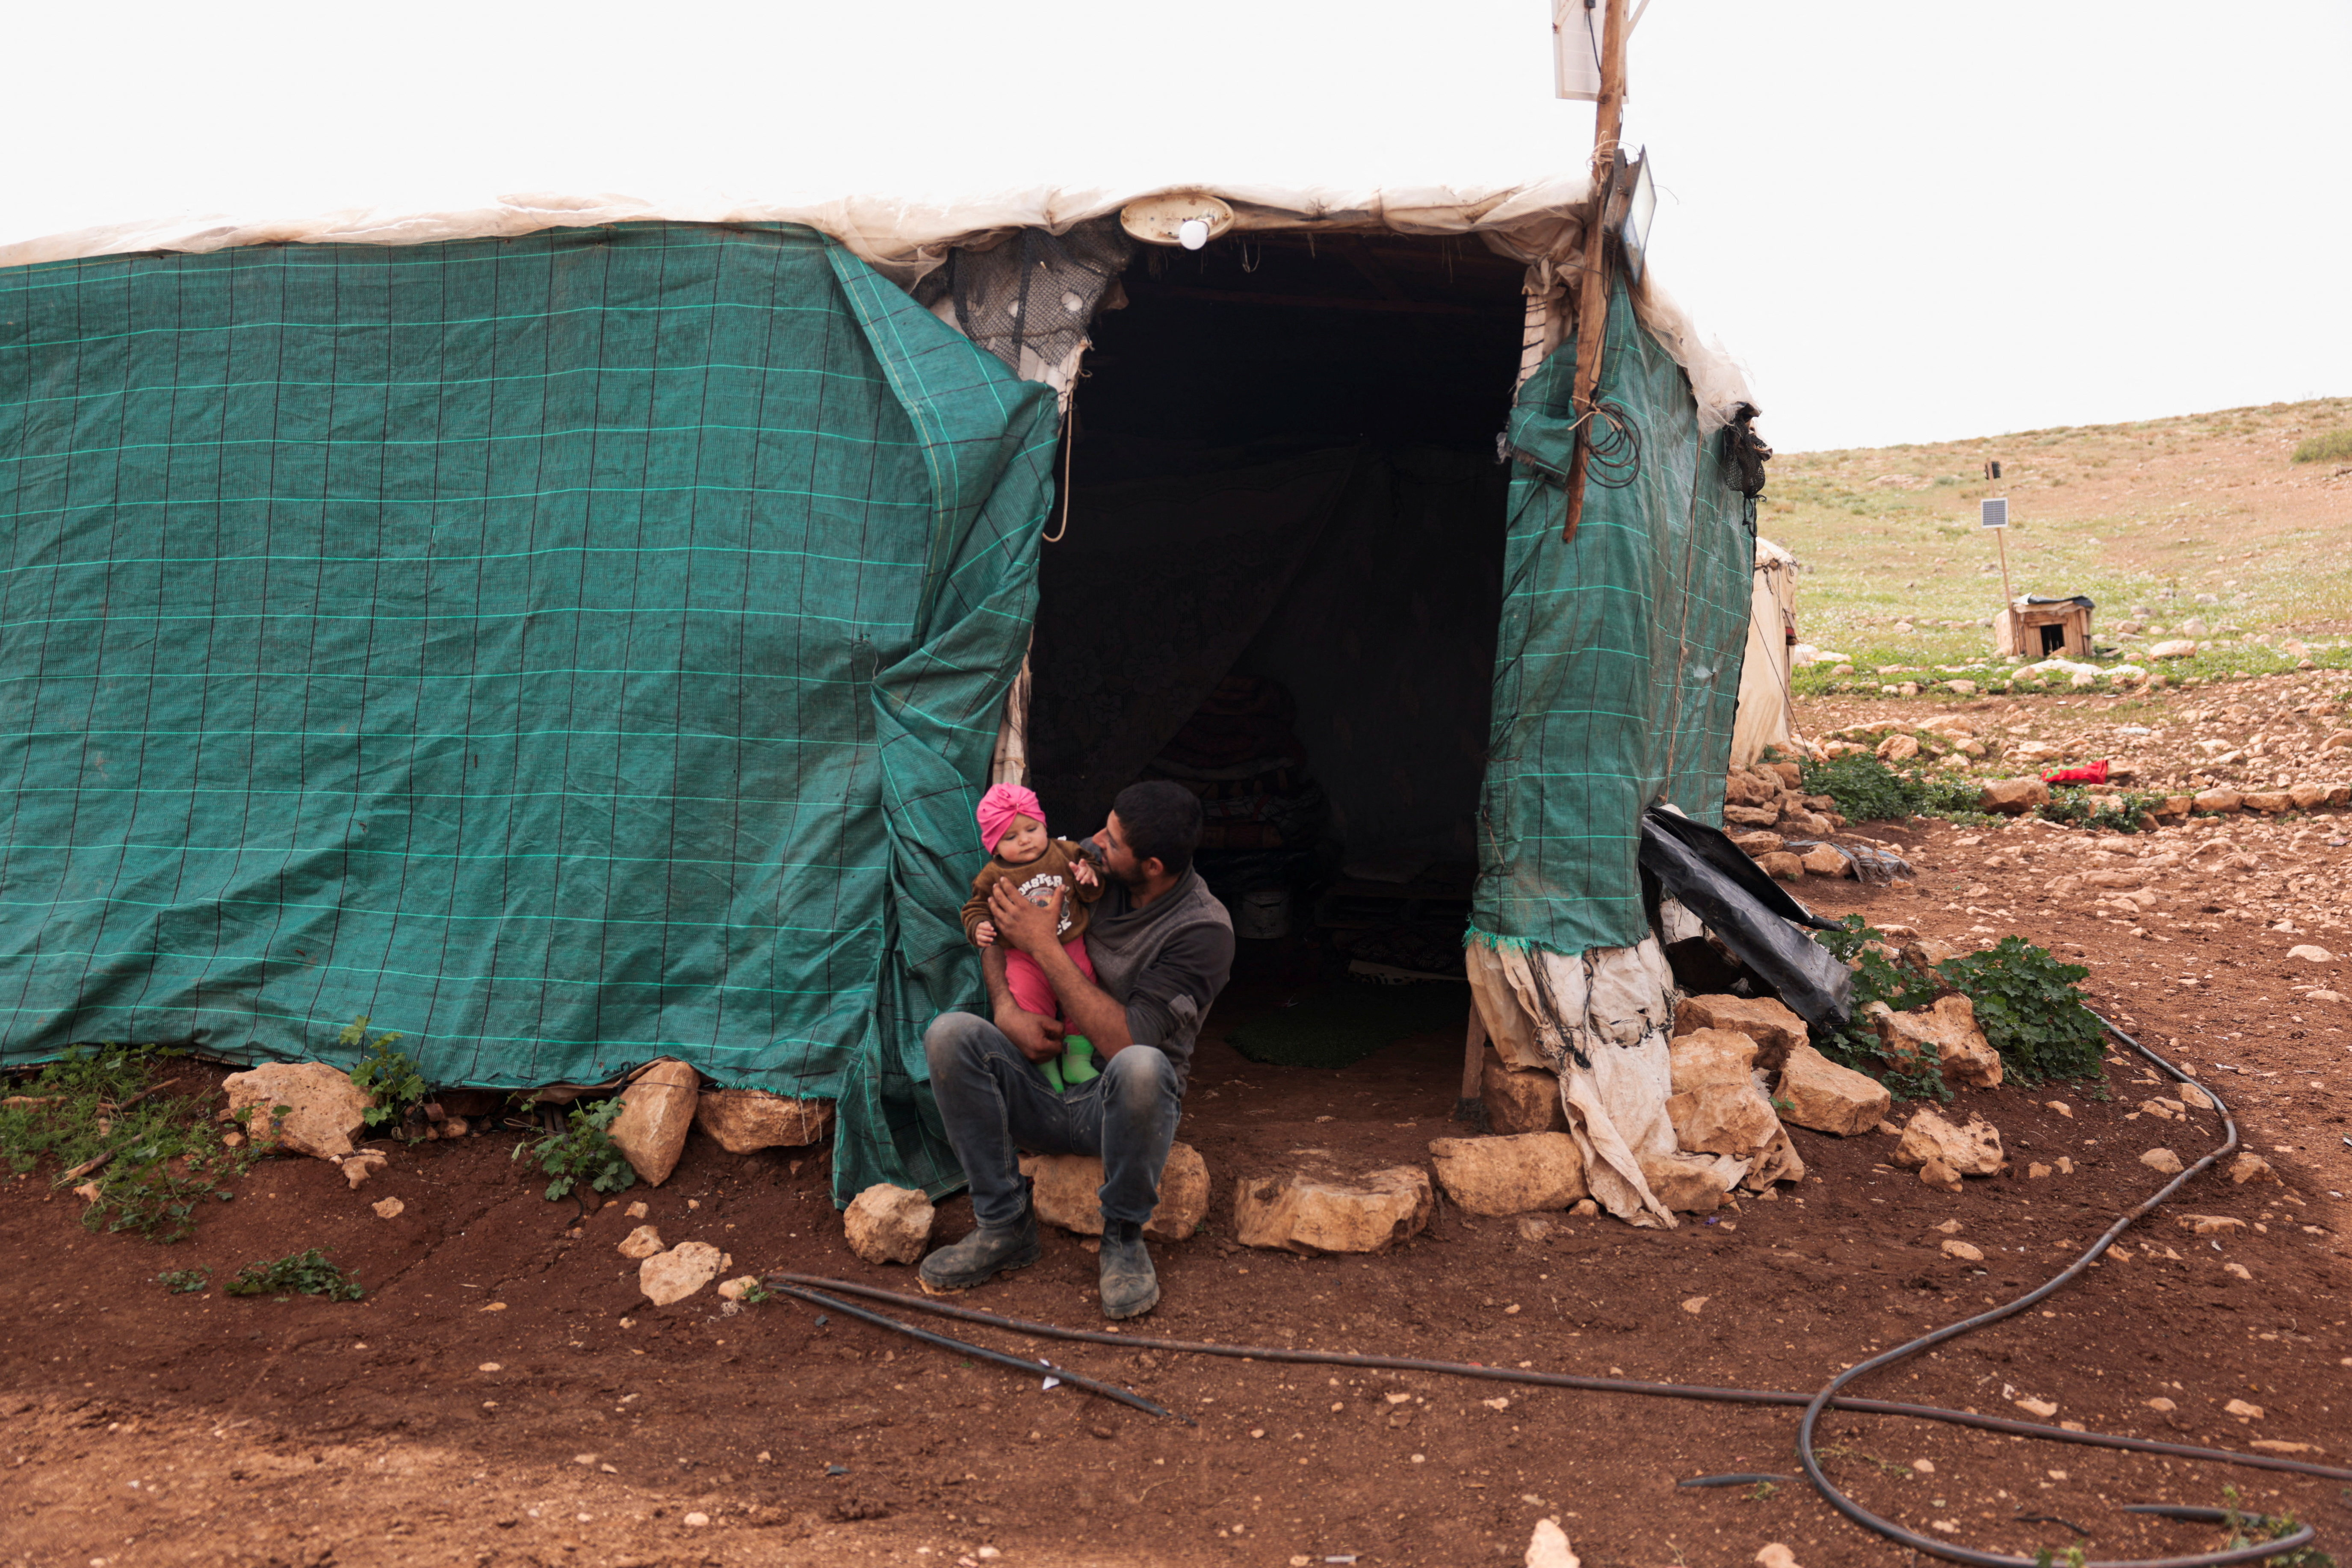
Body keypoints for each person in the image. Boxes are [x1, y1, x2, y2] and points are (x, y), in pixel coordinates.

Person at [920, 779, 1234, 1319]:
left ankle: (1123, 1237)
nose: (1094, 842)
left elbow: (1127, 1040)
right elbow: (1001, 910)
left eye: (1111, 841)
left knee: (1142, 1064)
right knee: (948, 1033)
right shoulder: (1085, 866)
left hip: (1115, 1111)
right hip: (1038, 1086)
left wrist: (1044, 943)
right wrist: (1004, 1007)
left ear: (1153, 866)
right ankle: (1003, 1226)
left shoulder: (1203, 930)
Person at [959, 783, 1105, 1092]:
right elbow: (975, 907)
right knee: (1028, 1002)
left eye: (1032, 828)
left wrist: (1089, 877)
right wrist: (979, 926)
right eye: (1011, 837)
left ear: (1044, 824)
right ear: (994, 846)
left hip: (1070, 944)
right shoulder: (991, 876)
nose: (1025, 840)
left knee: (1083, 993)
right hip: (1022, 955)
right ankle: (1046, 1067)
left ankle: (1077, 1060)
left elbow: (1090, 882)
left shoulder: (1066, 853)